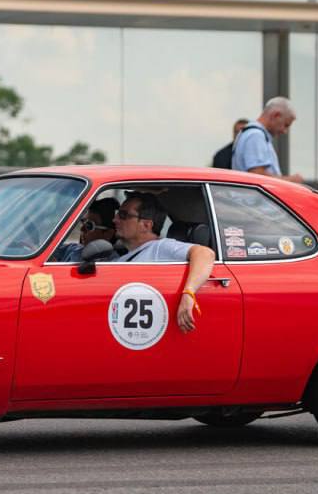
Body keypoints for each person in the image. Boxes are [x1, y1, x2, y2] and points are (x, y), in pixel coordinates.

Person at [113, 192, 215, 333]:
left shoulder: (160, 246)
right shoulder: (123, 252)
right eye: (117, 214)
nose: (115, 220)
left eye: (123, 215)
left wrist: (189, 294)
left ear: (146, 225)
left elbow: (205, 254)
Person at [231, 96, 304, 183]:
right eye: (286, 125)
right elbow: (257, 175)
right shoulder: (255, 136)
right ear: (276, 115)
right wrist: (290, 181)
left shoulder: (251, 133)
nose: (284, 131)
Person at [55, 198, 120, 262]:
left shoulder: (112, 264)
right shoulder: (72, 249)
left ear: (108, 234)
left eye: (89, 225)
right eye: (83, 222)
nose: (82, 229)